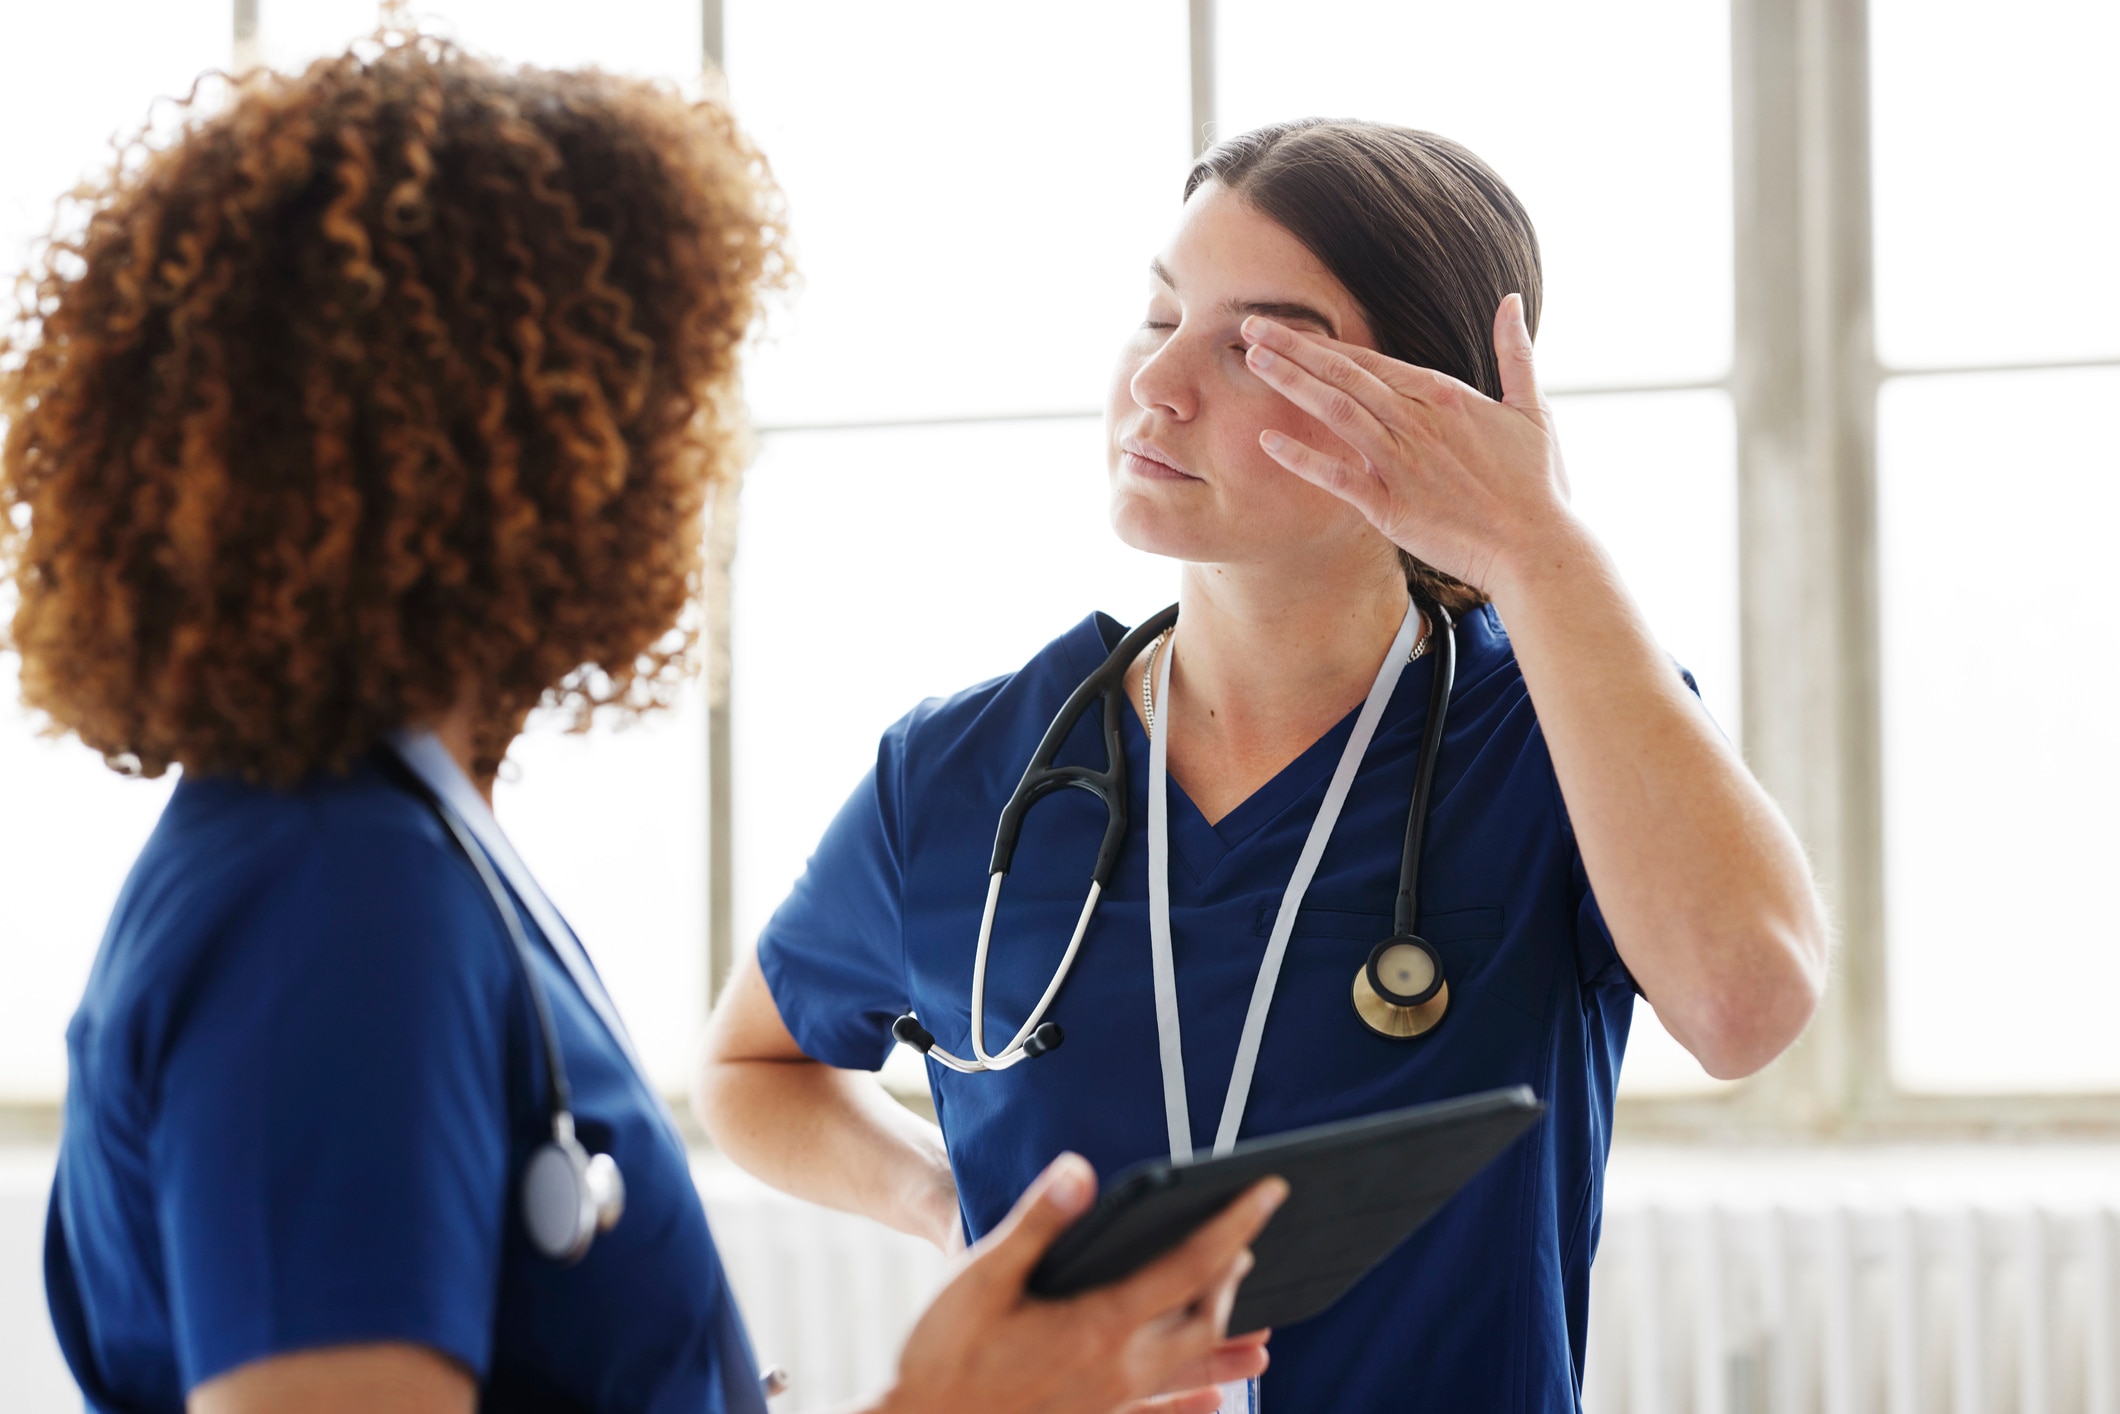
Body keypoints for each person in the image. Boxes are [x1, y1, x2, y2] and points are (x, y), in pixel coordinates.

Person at [2, 35, 1283, 1414]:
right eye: (665, 393)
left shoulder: (402, 841)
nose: (698, 455)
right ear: (518, 444)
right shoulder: (331, 896)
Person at [697, 119, 1831, 1412]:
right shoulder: (965, 772)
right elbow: (748, 1068)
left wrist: (1536, 540)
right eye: (1158, 311)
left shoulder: (1554, 731)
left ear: (1427, 408)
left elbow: (1749, 1004)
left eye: (1253, 344)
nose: (1158, 382)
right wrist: (947, 1200)